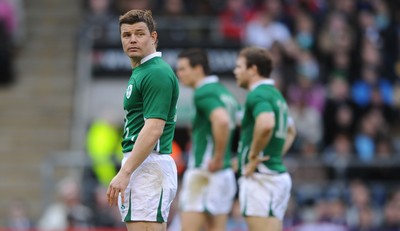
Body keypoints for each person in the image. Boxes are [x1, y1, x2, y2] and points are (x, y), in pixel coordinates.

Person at [106, 9, 180, 231]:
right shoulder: (142, 70)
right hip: (142, 164)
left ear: (154, 37)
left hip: (149, 165)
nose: (132, 39)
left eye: (139, 33)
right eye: (126, 35)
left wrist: (125, 172)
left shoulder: (155, 73)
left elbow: (154, 128)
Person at [233, 47, 297, 231]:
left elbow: (266, 123)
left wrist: (253, 156)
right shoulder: (276, 94)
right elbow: (291, 131)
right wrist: (274, 154)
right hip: (275, 175)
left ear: (253, 70)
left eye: (239, 67)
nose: (235, 72)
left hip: (261, 177)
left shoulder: (257, 94)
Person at [176, 48, 239, 231]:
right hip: (224, 174)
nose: (179, 74)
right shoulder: (224, 92)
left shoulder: (204, 92)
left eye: (183, 69)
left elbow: (222, 120)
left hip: (204, 171)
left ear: (198, 69)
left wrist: (218, 157)